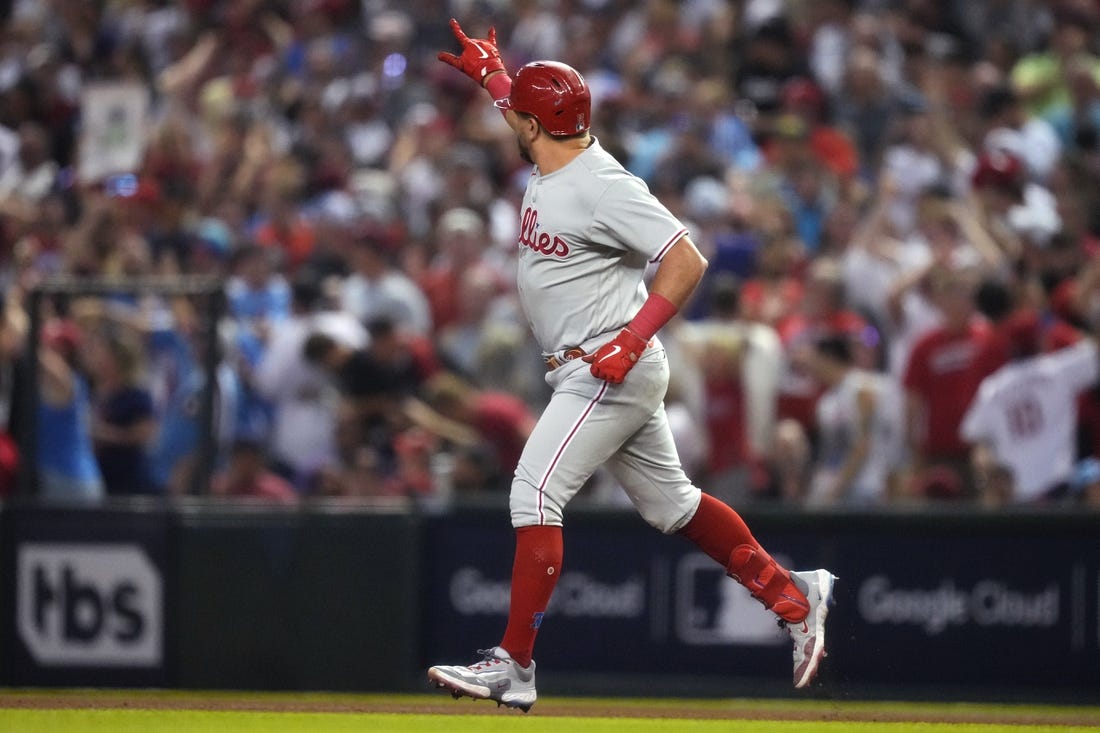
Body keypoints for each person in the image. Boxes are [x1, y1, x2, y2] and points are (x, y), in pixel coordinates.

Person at [426, 20, 837, 712]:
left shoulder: (605, 185)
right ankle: (795, 596)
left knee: (533, 494)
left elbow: (686, 260)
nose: (514, 124)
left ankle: (515, 665)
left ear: (533, 124)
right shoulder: (557, 151)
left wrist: (630, 339)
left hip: (607, 361)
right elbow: (530, 118)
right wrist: (495, 76)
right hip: (597, 362)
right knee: (672, 505)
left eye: (518, 116)